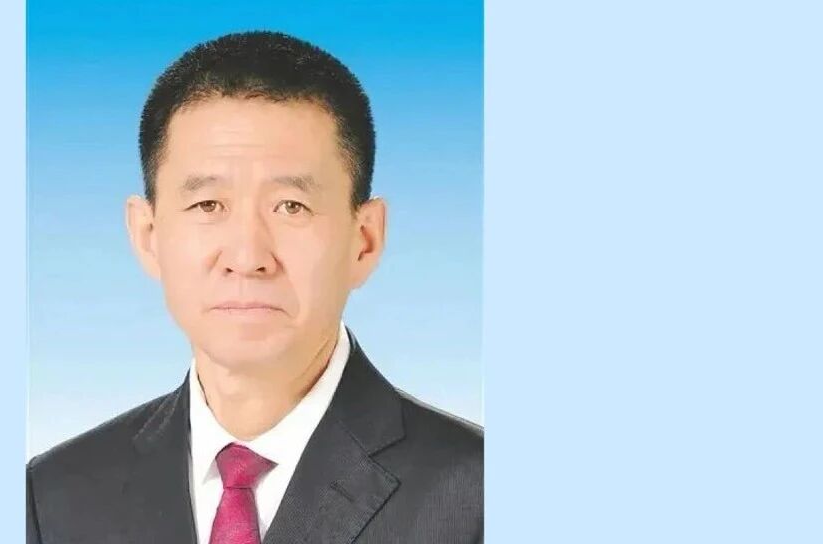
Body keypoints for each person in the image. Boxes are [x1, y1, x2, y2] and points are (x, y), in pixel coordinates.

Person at [26, 30, 483, 544]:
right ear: (148, 235)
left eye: (291, 206)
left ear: (365, 240)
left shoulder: (479, 498)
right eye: (207, 205)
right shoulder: (54, 498)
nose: (247, 257)